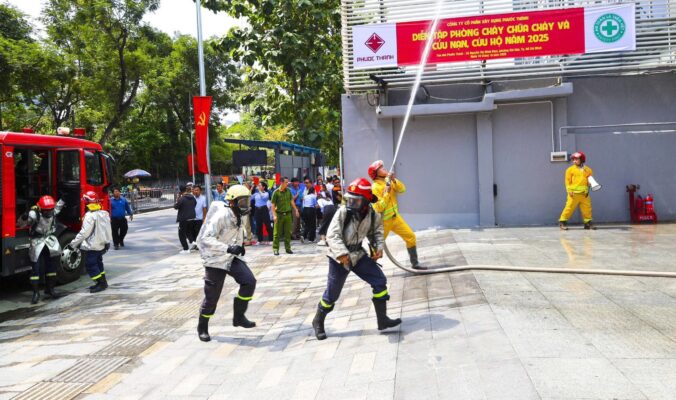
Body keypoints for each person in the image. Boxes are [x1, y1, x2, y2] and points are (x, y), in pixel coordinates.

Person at [312, 178, 401, 340]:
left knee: (379, 280)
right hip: (339, 258)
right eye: (350, 199)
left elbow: (376, 232)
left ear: (366, 201)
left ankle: (382, 320)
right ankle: (318, 320)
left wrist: (378, 248)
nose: (351, 203)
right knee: (332, 294)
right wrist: (341, 254)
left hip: (358, 255)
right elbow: (332, 235)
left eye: (356, 200)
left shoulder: (372, 213)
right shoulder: (343, 212)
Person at [196, 185, 257, 342]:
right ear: (232, 202)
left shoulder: (239, 215)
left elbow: (235, 234)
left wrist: (240, 246)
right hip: (215, 259)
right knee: (212, 297)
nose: (246, 205)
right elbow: (204, 239)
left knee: (249, 281)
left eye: (247, 201)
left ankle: (239, 317)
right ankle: (202, 327)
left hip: (231, 257)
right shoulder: (222, 216)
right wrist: (228, 248)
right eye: (242, 202)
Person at [369, 160, 427, 270]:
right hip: (383, 222)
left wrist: (394, 180)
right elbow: (379, 207)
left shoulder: (389, 181)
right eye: (380, 168)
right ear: (375, 173)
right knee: (376, 248)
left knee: (411, 237)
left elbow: (402, 189)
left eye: (382, 166)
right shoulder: (375, 187)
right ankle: (369, 270)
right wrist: (386, 193)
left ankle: (415, 264)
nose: (384, 168)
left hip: (395, 218)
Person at [17, 196, 65, 304]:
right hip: (37, 242)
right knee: (36, 269)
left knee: (52, 267)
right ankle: (36, 293)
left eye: (50, 210)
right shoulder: (34, 214)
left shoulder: (53, 211)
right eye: (46, 211)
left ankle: (50, 289)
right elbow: (21, 224)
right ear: (40, 209)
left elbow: (59, 206)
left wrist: (63, 198)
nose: (49, 213)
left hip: (49, 241)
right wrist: (23, 217)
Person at [69, 191, 113, 293]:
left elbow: (84, 233)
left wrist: (73, 244)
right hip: (101, 244)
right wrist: (107, 242)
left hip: (92, 246)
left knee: (90, 265)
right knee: (98, 263)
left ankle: (100, 283)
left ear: (88, 202)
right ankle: (103, 282)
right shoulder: (104, 213)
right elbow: (108, 229)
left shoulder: (89, 215)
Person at [559, 151, 597, 230]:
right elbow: (567, 181)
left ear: (582, 159)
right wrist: (569, 190)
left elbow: (589, 181)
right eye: (573, 159)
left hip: (584, 194)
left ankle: (588, 223)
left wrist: (590, 185)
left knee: (587, 209)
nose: (574, 161)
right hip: (573, 194)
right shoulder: (570, 170)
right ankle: (562, 222)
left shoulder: (588, 170)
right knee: (569, 208)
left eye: (576, 159)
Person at [271, 177, 299, 256]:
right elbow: (273, 205)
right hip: (279, 215)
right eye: (286, 182)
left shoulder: (288, 191)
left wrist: (296, 209)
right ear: (281, 183)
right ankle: (275, 249)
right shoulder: (276, 192)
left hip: (288, 214)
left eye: (287, 182)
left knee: (288, 232)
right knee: (276, 233)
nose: (288, 184)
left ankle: (288, 248)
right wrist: (274, 216)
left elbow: (291, 201)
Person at [174, 185, 197, 254]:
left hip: (184, 218)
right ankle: (192, 241)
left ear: (180, 191)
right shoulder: (192, 197)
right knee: (188, 231)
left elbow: (176, 207)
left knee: (181, 234)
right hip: (192, 217)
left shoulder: (182, 198)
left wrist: (178, 198)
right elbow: (195, 204)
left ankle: (186, 249)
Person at [191, 185, 208, 250]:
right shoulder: (192, 198)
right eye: (195, 190)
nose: (196, 191)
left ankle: (199, 245)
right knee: (192, 233)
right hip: (192, 218)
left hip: (199, 219)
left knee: (198, 233)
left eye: (197, 190)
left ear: (200, 191)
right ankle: (194, 244)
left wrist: (204, 218)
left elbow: (204, 209)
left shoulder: (203, 198)